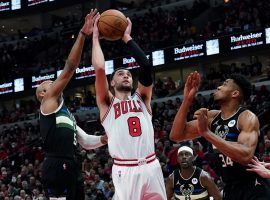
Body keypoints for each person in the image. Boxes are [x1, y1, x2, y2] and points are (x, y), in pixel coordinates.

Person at [91, 15, 166, 199]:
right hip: (125, 170)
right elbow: (99, 68)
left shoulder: (142, 98)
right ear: (112, 83)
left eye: (129, 74)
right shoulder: (107, 104)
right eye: (120, 74)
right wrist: (94, 38)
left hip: (152, 166)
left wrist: (126, 38)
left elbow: (146, 65)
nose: (126, 76)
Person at [36, 9, 107, 200]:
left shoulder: (66, 114)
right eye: (49, 84)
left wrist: (103, 139)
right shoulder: (48, 102)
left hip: (71, 164)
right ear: (43, 93)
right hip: (56, 164)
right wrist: (83, 34)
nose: (54, 83)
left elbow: (83, 140)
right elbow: (69, 68)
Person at [170, 72, 270, 199]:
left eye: (224, 84)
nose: (218, 87)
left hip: (253, 186)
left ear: (235, 93)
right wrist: (187, 100)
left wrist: (207, 133)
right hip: (229, 187)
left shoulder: (246, 117)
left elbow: (245, 155)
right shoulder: (212, 117)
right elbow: (176, 135)